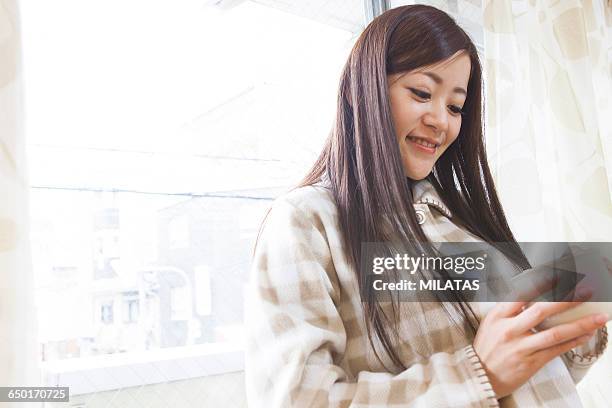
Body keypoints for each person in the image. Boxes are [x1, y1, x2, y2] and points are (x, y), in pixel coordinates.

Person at [245, 5, 608, 407]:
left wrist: (564, 318)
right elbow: (296, 400)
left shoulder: (457, 221)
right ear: (361, 90)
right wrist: (478, 375)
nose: (441, 121)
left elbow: (530, 379)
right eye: (421, 93)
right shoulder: (306, 223)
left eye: (456, 107)